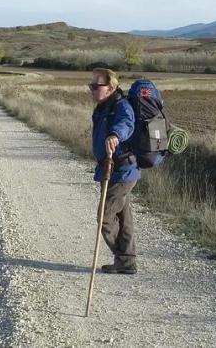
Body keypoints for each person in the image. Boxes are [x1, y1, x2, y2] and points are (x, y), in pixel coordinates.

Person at [89, 67, 140, 275]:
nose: (91, 89)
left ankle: (123, 259)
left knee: (105, 217)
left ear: (110, 88)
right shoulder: (104, 106)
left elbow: (127, 123)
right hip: (115, 170)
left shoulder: (120, 106)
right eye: (90, 85)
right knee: (123, 217)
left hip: (122, 171)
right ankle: (127, 262)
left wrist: (115, 135)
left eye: (95, 85)